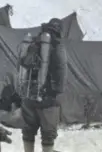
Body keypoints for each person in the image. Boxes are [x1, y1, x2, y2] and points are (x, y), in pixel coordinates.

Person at [20, 18, 68, 152]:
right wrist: (57, 93)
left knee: (28, 131)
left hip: (29, 95)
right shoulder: (58, 46)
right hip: (48, 99)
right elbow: (61, 72)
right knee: (48, 135)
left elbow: (23, 65)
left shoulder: (33, 43)